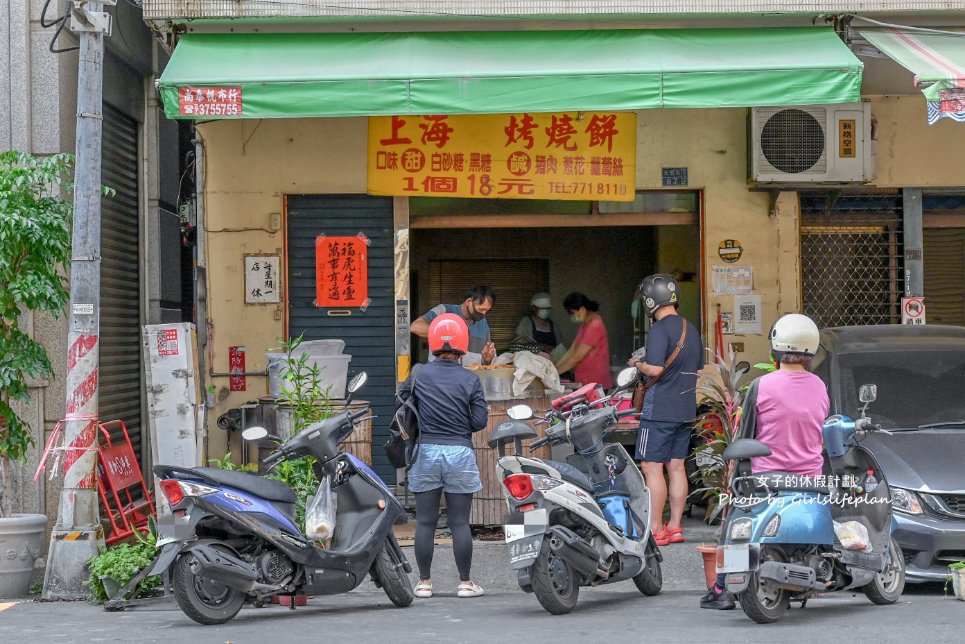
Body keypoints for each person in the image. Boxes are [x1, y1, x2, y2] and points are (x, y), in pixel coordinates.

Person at [700, 312, 830, 611]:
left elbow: (746, 436)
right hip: (809, 480)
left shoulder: (762, 386)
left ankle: (721, 588)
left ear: (776, 348)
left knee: (735, 524)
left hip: (765, 480)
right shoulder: (819, 387)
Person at [401, 313, 489, 600]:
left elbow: (401, 401)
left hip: (426, 451)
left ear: (433, 342)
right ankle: (465, 583)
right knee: (459, 522)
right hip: (460, 452)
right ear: (462, 344)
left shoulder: (418, 373)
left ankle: (424, 583)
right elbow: (479, 421)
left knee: (425, 521)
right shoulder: (470, 379)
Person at [630, 274, 703, 548]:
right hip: (685, 409)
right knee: (676, 467)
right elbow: (697, 370)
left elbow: (656, 369)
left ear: (650, 300)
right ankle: (675, 526)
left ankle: (656, 528)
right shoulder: (691, 328)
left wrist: (638, 364)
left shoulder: (660, 330)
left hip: (659, 410)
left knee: (651, 467)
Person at [411, 285, 497, 365]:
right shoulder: (444, 311)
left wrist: (487, 359)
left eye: (487, 311)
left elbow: (485, 361)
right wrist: (447, 335)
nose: (483, 314)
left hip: (470, 378)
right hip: (443, 376)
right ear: (469, 301)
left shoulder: (483, 322)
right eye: (481, 309)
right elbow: (415, 327)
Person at [555, 292, 612, 390]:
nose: (572, 317)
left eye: (572, 313)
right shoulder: (585, 325)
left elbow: (577, 357)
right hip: (585, 381)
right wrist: (554, 369)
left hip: (595, 384)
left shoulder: (595, 326)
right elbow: (572, 351)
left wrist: (554, 373)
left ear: (582, 309)